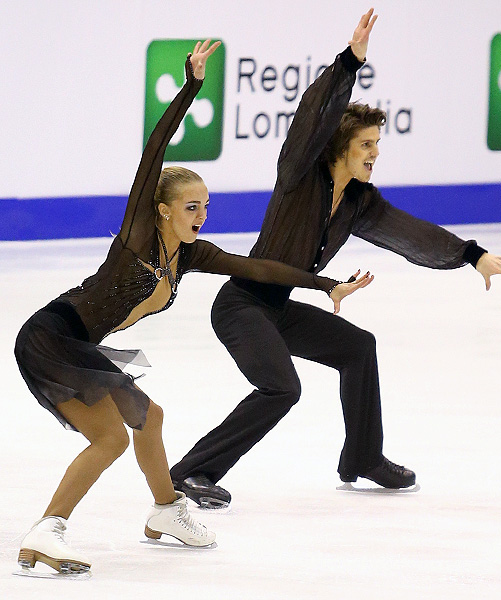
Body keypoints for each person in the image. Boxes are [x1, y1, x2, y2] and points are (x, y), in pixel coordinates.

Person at [14, 40, 370, 575]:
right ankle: (47, 530)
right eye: (190, 206)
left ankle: (165, 512)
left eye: (206, 205)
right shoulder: (139, 237)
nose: (201, 214)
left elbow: (259, 268)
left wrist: (324, 285)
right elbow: (153, 152)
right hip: (51, 336)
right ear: (161, 209)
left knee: (149, 418)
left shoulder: (190, 254)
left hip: (77, 343)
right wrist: (191, 89)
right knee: (110, 437)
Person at [169, 9, 501, 509]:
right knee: (281, 389)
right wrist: (349, 63)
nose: (375, 153)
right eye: (366, 145)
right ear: (341, 147)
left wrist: (472, 255)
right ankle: (189, 472)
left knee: (358, 348)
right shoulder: (300, 174)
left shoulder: (359, 201)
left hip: (278, 308)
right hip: (242, 305)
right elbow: (313, 113)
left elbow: (409, 233)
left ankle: (363, 457)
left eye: (378, 144)